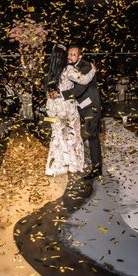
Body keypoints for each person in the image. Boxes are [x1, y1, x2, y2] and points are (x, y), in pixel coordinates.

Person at [45, 45, 96, 177]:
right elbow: (84, 80)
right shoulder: (67, 69)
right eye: (66, 54)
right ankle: (74, 165)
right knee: (73, 135)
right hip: (66, 108)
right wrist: (93, 71)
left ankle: (54, 167)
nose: (68, 57)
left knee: (57, 136)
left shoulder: (50, 70)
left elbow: (48, 91)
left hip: (52, 108)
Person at [59, 45, 103, 180]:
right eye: (69, 54)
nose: (70, 57)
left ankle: (96, 169)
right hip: (80, 108)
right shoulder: (70, 68)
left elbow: (79, 89)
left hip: (91, 107)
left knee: (92, 137)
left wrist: (60, 94)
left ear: (80, 56)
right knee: (83, 136)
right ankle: (83, 161)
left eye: (73, 54)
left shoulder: (86, 67)